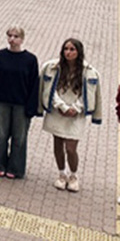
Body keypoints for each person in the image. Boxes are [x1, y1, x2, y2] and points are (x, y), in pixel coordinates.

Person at [39, 38, 102, 192]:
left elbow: (91, 93)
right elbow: (48, 89)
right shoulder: (52, 67)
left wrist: (75, 108)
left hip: (76, 114)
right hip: (57, 111)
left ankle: (73, 176)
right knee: (58, 144)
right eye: (66, 49)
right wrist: (61, 106)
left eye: (72, 49)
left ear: (79, 52)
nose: (68, 52)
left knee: (71, 148)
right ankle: (62, 174)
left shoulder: (89, 72)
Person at [0, 27, 39, 179]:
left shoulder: (30, 60)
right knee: (0, 135)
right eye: (10, 36)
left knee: (19, 137)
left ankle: (15, 167)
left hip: (21, 104)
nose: (12, 39)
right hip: (1, 101)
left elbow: (34, 85)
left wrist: (32, 107)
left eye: (16, 36)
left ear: (22, 39)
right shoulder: (0, 56)